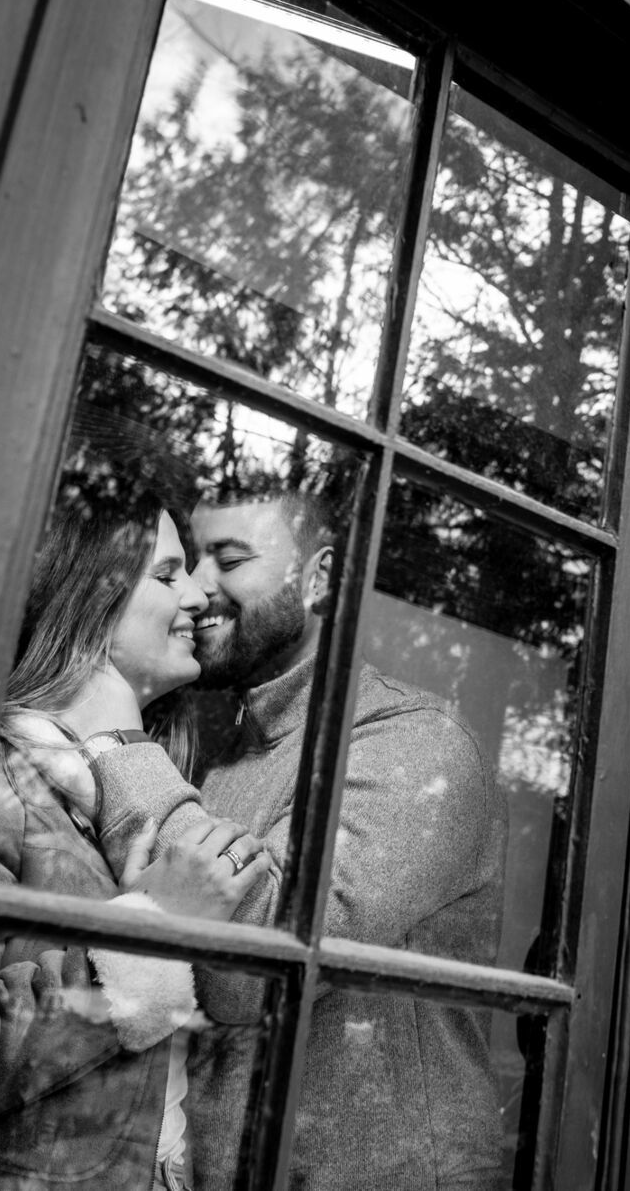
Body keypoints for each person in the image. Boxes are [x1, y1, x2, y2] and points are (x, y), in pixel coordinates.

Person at [86, 486, 506, 1190]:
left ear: (320, 579)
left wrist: (118, 741)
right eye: (186, 565)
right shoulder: (217, 755)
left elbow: (261, 963)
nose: (197, 589)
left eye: (230, 559)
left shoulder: (417, 744)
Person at [0, 482, 274, 1190]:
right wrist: (146, 940)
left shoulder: (138, 780)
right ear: (91, 601)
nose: (197, 596)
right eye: (168, 575)